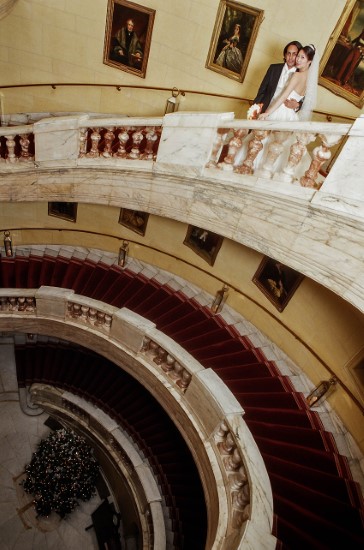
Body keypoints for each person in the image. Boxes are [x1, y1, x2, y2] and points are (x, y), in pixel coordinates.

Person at [258, 44, 318, 122]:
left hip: (279, 112)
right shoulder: (309, 79)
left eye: (302, 57)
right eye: (298, 56)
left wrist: (267, 113)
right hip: (291, 117)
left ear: (309, 61)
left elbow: (284, 96)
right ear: (285, 54)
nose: (298, 60)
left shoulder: (297, 75)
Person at [253, 41, 303, 114]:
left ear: (298, 56)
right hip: (265, 109)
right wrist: (254, 110)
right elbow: (261, 92)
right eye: (288, 53)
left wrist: (297, 105)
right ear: (285, 55)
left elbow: (305, 101)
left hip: (284, 114)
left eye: (294, 54)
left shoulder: (301, 75)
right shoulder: (273, 68)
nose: (291, 57)